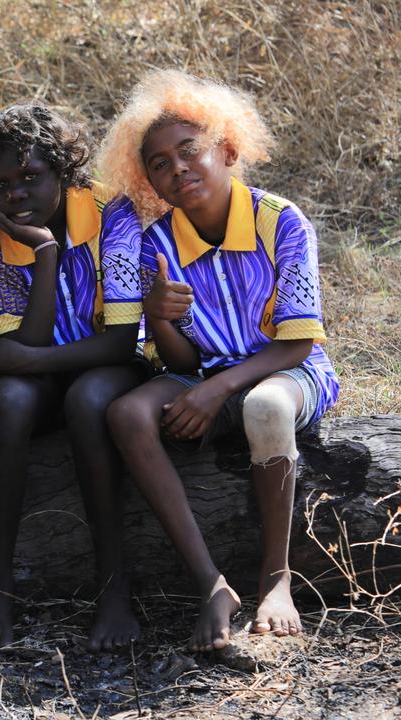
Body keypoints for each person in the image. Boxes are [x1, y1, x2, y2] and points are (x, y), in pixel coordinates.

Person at [96, 69, 339, 651]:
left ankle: (277, 578)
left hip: (284, 371)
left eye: (189, 150)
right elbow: (181, 357)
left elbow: (298, 343)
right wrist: (158, 316)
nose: (176, 168)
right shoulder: (156, 245)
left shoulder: (280, 221)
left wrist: (216, 391)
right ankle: (211, 583)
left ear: (227, 150)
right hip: (202, 370)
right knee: (128, 413)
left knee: (265, 406)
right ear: (148, 179)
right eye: (157, 163)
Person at [0, 105, 146, 651]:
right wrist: (45, 252)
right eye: (1, 184)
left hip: (106, 369)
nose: (16, 193)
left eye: (31, 177)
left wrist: (29, 362)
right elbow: (24, 346)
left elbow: (118, 339)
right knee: (9, 401)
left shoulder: (112, 212)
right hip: (38, 378)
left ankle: (113, 588)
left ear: (64, 171)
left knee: (88, 400)